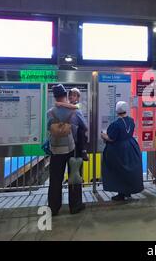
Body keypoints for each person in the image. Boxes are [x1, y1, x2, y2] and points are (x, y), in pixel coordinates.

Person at [47, 84, 88, 216]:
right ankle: (75, 206)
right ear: (66, 96)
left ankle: (54, 208)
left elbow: (48, 129)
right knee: (74, 177)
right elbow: (85, 126)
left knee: (55, 179)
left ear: (55, 97)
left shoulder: (50, 112)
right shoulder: (75, 111)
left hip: (55, 150)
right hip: (72, 149)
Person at [101, 101, 144, 201]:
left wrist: (103, 135)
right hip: (131, 147)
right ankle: (128, 191)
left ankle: (121, 193)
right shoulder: (131, 121)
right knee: (128, 170)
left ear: (117, 111)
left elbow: (111, 138)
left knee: (119, 171)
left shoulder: (115, 124)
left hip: (119, 149)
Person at [56, 88, 89, 161]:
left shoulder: (63, 108)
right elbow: (85, 126)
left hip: (62, 142)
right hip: (73, 143)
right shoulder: (77, 111)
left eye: (74, 95)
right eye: (70, 95)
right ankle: (84, 151)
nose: (71, 97)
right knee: (74, 167)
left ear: (78, 97)